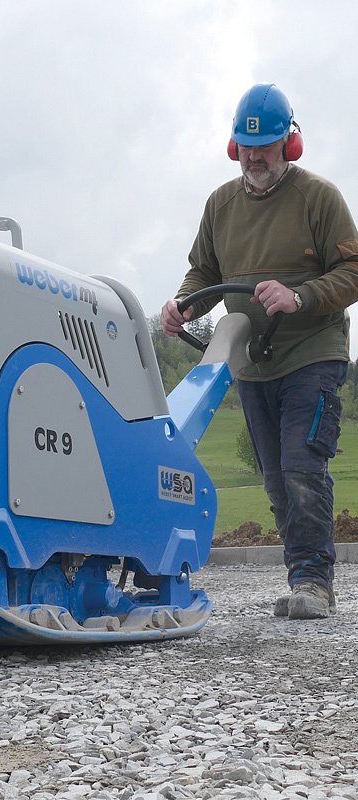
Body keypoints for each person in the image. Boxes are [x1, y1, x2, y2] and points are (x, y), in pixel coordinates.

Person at [161, 83, 358, 620]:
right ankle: (301, 575)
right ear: (234, 146)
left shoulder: (319, 198)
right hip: (250, 361)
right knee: (274, 477)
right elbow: (203, 272)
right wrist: (183, 304)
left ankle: (314, 582)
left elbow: (352, 270)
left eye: (266, 147)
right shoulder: (220, 205)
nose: (254, 157)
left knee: (301, 465)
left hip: (311, 353)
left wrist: (301, 296)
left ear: (289, 144)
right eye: (246, 147)